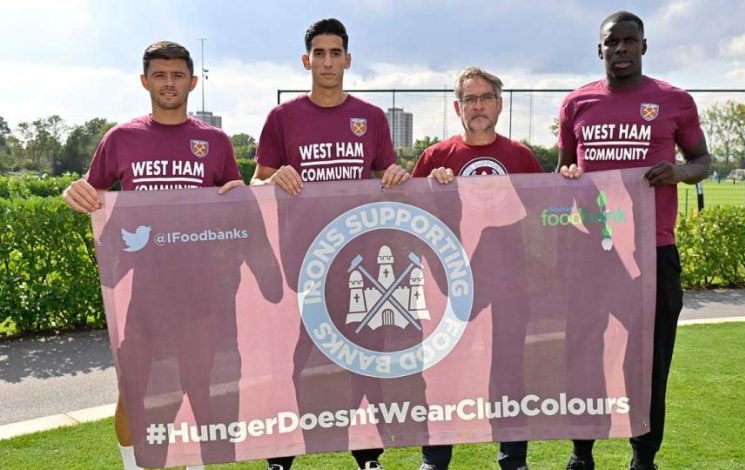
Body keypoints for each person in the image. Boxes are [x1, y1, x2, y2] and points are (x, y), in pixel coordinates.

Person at [62, 41, 245, 470]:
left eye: (177, 75)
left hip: (202, 295)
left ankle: (197, 465)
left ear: (192, 82)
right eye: (159, 75)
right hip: (143, 294)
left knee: (202, 391)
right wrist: (74, 192)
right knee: (133, 393)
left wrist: (242, 197)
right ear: (145, 81)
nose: (169, 83)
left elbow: (234, 206)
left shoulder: (214, 141)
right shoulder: (121, 138)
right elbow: (91, 193)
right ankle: (134, 466)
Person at [251, 18, 409, 470]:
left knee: (364, 359)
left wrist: (397, 175)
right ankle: (282, 455)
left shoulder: (371, 117)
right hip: (303, 263)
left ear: (347, 59)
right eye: (318, 54)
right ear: (306, 61)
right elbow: (256, 183)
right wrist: (272, 180)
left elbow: (386, 178)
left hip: (359, 262)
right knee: (299, 361)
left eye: (335, 53)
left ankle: (368, 455)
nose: (327, 62)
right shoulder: (282, 118)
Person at [557, 11, 711, 470]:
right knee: (584, 355)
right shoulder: (576, 103)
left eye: (629, 41)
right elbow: (564, 171)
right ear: (599, 49)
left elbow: (702, 161)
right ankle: (581, 453)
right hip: (591, 252)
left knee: (648, 361)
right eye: (612, 42)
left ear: (644, 46)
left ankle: (644, 457)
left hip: (653, 251)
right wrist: (566, 178)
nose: (620, 49)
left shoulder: (674, 100)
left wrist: (679, 172)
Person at [411, 67, 544, 470]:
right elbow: (412, 215)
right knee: (446, 372)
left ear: (500, 105)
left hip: (510, 283)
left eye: (486, 98)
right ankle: (435, 459)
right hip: (452, 284)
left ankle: (513, 459)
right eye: (470, 99)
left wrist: (570, 179)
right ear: (458, 107)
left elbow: (546, 210)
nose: (478, 106)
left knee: (509, 371)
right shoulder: (436, 157)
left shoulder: (521, 157)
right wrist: (432, 190)